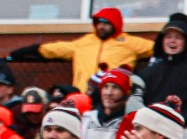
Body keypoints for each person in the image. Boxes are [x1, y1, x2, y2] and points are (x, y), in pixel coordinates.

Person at [12, 7, 152, 86]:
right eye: (98, 23)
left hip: (114, 96)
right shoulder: (84, 42)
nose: (101, 27)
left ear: (115, 24)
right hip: (84, 95)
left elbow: (156, 47)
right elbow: (58, 49)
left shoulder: (129, 42)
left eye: (106, 23)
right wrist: (30, 50)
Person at [137, 13, 187, 123]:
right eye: (168, 37)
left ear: (186, 42)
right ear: (162, 41)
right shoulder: (147, 74)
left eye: (178, 37)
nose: (172, 41)